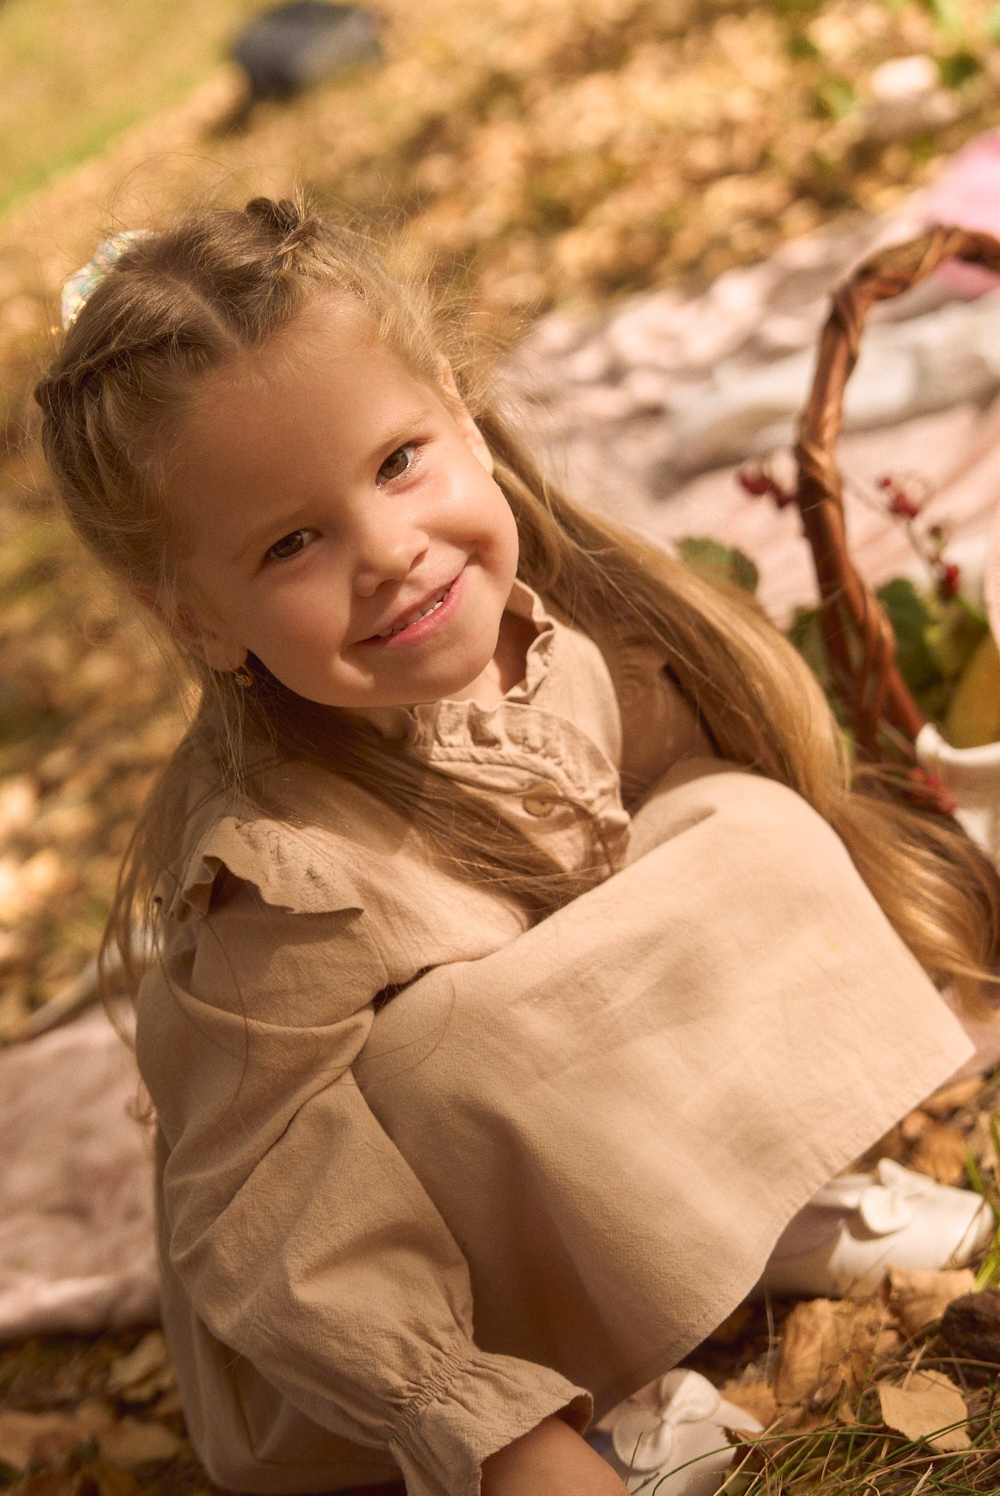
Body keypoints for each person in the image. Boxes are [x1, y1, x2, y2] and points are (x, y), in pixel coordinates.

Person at [35, 197, 1000, 1496]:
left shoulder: (559, 642)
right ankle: (588, 1406)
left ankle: (748, 1210)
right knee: (451, 1054)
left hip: (575, 1182)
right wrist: (485, 1431)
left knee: (733, 822)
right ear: (198, 619)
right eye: (291, 543)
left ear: (460, 410)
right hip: (377, 1337)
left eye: (396, 463)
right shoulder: (274, 880)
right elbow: (280, 1219)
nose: (389, 552)